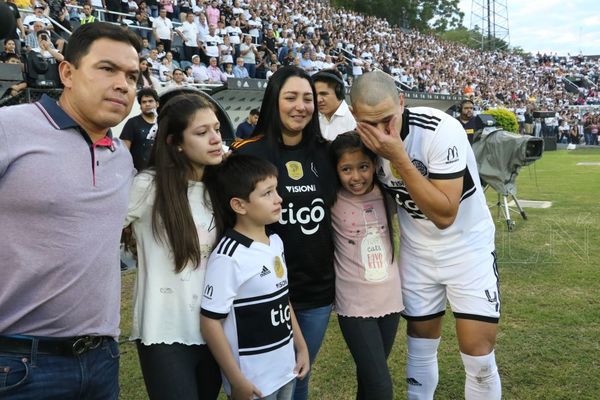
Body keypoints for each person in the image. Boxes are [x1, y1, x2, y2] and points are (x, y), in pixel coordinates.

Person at [0, 22, 141, 399]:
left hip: (102, 359)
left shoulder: (121, 158)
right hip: (17, 364)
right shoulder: (9, 129)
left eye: (132, 75)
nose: (123, 84)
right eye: (107, 69)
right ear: (67, 73)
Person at [350, 71, 501, 400]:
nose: (379, 132)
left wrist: (398, 157)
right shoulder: (356, 141)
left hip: (467, 249)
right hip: (417, 252)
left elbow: (445, 214)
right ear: (353, 115)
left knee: (478, 355)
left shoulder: (440, 129)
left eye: (387, 120)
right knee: (419, 344)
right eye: (368, 123)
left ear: (402, 102)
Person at [231, 66, 338, 400]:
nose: (301, 106)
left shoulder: (326, 152)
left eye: (308, 98)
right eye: (290, 97)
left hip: (317, 290)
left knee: (300, 376)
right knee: (263, 385)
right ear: (273, 101)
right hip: (263, 291)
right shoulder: (247, 152)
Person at [125, 93, 224, 400]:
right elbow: (97, 232)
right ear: (175, 143)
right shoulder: (147, 186)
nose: (215, 139)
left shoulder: (219, 187)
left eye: (217, 129)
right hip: (164, 332)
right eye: (201, 132)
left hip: (214, 330)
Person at [201, 154, 309, 400]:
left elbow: (282, 299)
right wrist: (237, 380)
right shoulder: (229, 257)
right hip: (255, 385)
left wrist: (300, 347)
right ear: (239, 205)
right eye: (267, 193)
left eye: (276, 190)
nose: (279, 199)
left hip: (286, 371)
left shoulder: (276, 242)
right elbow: (210, 323)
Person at [330, 132, 403, 400]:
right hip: (354, 304)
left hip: (390, 299)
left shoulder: (388, 195)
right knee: (382, 387)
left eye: (363, 167)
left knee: (370, 379)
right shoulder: (332, 200)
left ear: (374, 165)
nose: (356, 177)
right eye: (346, 169)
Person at [120, 87, 159, 171]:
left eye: (150, 101)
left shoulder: (163, 122)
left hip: (160, 173)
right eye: (144, 102)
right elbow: (124, 151)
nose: (147, 104)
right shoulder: (132, 123)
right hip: (138, 174)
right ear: (140, 106)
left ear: (157, 104)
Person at [313, 69, 356, 141]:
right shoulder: (311, 118)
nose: (318, 100)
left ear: (339, 91)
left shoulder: (354, 121)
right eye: (315, 95)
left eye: (323, 94)